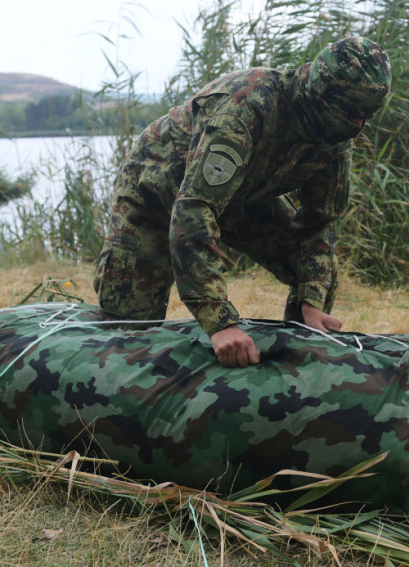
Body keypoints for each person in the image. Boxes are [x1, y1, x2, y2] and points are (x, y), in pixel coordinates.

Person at [94, 37, 391, 368]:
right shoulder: (250, 106)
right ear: (319, 97)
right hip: (154, 194)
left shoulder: (337, 133)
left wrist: (312, 302)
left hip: (242, 197)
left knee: (315, 269)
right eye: (350, 116)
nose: (359, 126)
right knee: (127, 332)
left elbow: (319, 223)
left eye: (367, 116)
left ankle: (295, 371)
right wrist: (220, 322)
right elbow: (194, 208)